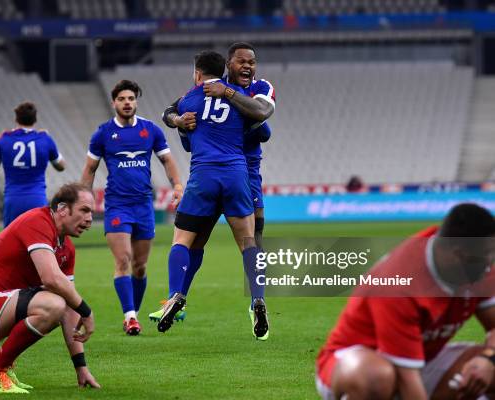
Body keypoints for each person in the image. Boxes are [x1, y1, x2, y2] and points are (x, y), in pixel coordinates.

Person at [151, 42, 275, 339]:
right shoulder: (241, 97)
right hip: (237, 176)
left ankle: (175, 295)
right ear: (227, 66)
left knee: (185, 240)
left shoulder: (198, 97)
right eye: (241, 61)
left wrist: (180, 122)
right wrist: (181, 122)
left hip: (208, 175)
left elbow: (170, 113)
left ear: (197, 74)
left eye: (251, 62)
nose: (247, 66)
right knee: (248, 240)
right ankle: (257, 298)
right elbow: (264, 131)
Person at [316, 203, 495, 400]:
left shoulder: (476, 257)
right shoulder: (398, 283)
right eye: (483, 260)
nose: (489, 267)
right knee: (376, 377)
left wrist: (488, 359)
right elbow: (407, 381)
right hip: (359, 366)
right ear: (454, 255)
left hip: (422, 361)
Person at [0, 183, 100, 393]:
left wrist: (81, 367)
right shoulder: (38, 221)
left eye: (92, 212)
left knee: (61, 303)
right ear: (63, 209)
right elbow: (51, 279)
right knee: (53, 304)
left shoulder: (67, 249)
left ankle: (3, 367)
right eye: (84, 210)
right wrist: (87, 311)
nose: (89, 219)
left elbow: (69, 310)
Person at [80, 80, 182, 336]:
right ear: (114, 102)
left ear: (136, 102)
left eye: (131, 98)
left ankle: (131, 314)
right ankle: (130, 316)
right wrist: (83, 200)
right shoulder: (103, 134)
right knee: (123, 259)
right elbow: (90, 170)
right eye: (122, 99)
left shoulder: (151, 130)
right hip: (117, 206)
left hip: (143, 206)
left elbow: (167, 160)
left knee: (140, 266)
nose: (127, 103)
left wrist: (178, 185)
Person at [0, 101, 66, 227]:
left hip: (13, 200)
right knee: (39, 240)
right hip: (37, 199)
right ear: (35, 119)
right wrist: (49, 140)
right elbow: (61, 166)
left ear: (16, 118)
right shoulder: (44, 139)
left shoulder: (5, 139)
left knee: (11, 243)